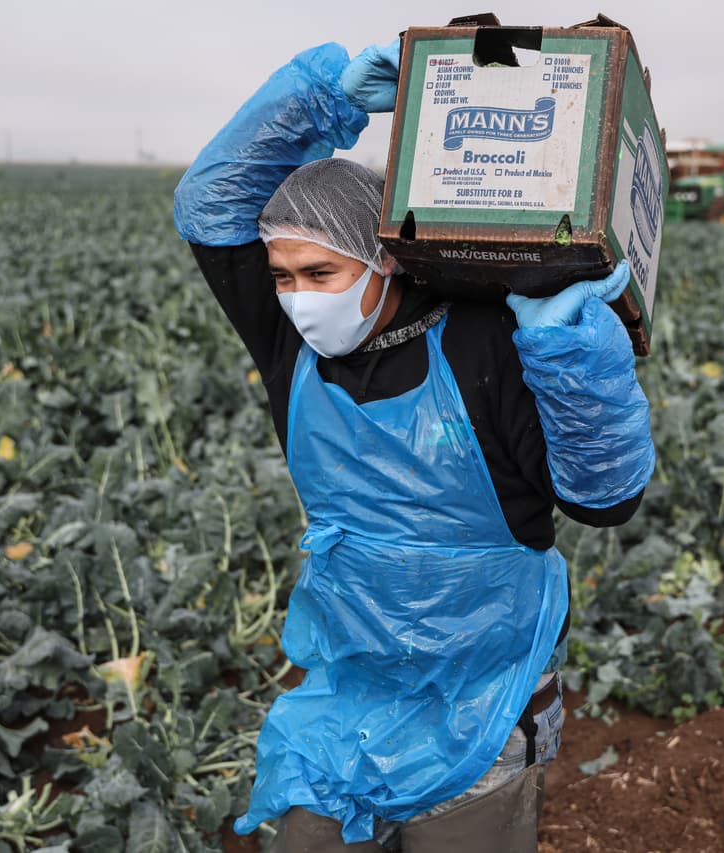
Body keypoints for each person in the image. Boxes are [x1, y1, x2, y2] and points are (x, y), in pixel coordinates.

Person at [174, 37, 655, 853]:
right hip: (353, 685)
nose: (295, 299)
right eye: (282, 275)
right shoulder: (292, 347)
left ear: (384, 262)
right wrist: (321, 99)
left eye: (319, 273)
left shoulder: (484, 343)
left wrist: (572, 358)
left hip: (483, 693)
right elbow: (209, 204)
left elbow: (604, 499)